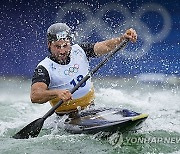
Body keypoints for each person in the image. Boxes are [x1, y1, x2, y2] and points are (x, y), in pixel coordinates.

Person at [30, 23, 137, 116]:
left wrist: (122, 38)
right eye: (57, 47)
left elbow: (106, 46)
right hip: (65, 117)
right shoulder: (44, 68)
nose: (62, 51)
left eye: (65, 45)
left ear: (70, 42)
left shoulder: (80, 50)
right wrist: (56, 93)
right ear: (49, 45)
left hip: (91, 109)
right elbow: (35, 96)